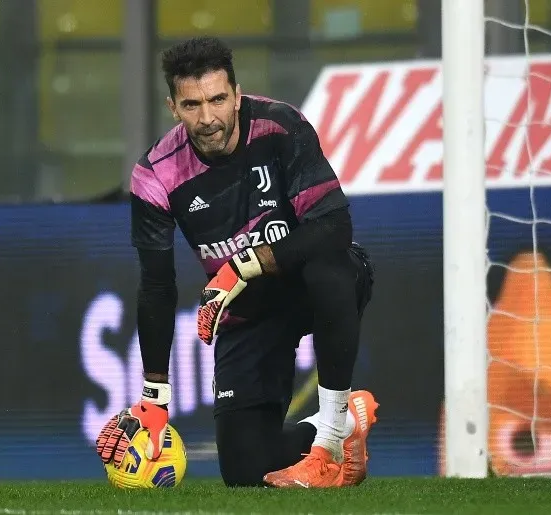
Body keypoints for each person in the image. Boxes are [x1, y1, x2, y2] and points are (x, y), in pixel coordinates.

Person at [95, 36, 379, 488]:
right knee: (247, 471)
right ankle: (345, 427)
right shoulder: (155, 174)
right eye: (192, 105)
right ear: (172, 106)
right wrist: (154, 396)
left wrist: (242, 266)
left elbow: (334, 228)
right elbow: (156, 286)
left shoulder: (280, 127)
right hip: (247, 312)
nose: (207, 119)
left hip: (313, 283)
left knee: (330, 264)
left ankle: (327, 441)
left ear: (237, 94)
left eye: (217, 100)